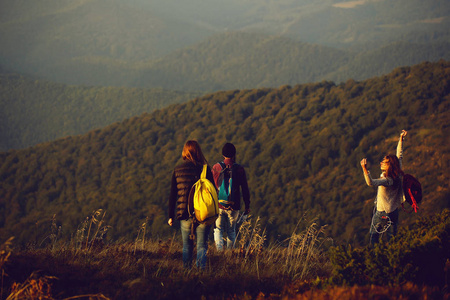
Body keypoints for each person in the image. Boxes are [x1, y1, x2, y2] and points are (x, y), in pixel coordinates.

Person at [168, 140, 215, 269]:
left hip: (185, 213)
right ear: (198, 152)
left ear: (185, 152)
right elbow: (213, 192)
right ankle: (200, 273)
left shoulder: (178, 169)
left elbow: (173, 195)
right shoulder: (205, 169)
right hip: (204, 213)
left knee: (186, 246)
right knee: (202, 245)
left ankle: (187, 273)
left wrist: (170, 215)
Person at [360, 130, 407, 245]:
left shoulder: (387, 180)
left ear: (389, 165)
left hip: (382, 212)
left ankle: (376, 259)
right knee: (392, 239)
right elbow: (399, 155)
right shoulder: (398, 173)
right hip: (394, 211)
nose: (381, 163)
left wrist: (365, 169)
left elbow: (371, 183)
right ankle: (393, 257)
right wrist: (401, 139)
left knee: (374, 237)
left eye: (384, 162)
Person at [212, 143, 250, 251]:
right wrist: (247, 206)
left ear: (223, 154)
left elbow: (211, 186)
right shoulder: (239, 169)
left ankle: (219, 252)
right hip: (234, 205)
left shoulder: (216, 167)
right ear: (234, 154)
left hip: (219, 205)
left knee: (218, 229)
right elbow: (245, 189)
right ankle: (230, 254)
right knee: (231, 230)